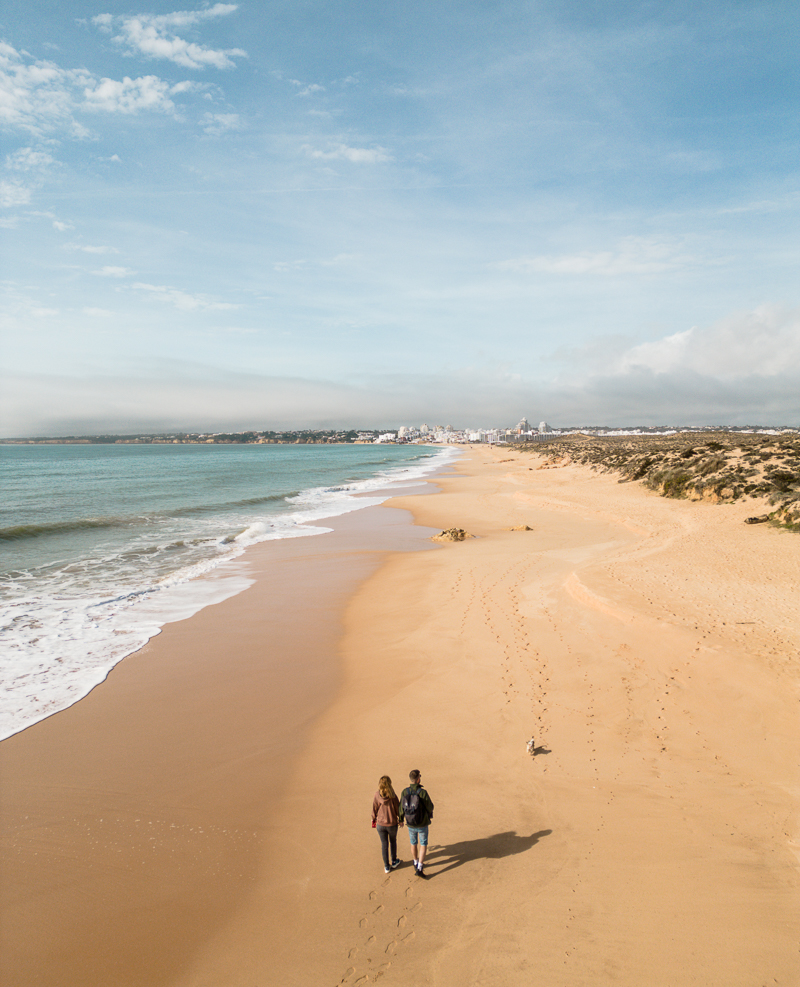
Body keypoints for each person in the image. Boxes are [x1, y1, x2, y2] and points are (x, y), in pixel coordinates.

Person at [399, 769, 434, 877]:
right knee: (423, 844)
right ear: (418, 779)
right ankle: (419, 867)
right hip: (422, 823)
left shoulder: (405, 792)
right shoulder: (422, 792)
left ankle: (415, 861)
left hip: (410, 823)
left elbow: (401, 808)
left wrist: (400, 820)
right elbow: (430, 806)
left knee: (413, 843)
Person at [372, 775, 402, 874]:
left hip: (380, 825)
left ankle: (386, 866)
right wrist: (400, 819)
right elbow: (398, 810)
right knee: (393, 842)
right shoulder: (393, 796)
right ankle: (394, 861)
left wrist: (373, 819)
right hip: (392, 824)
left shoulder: (377, 795)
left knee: (384, 844)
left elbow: (374, 808)